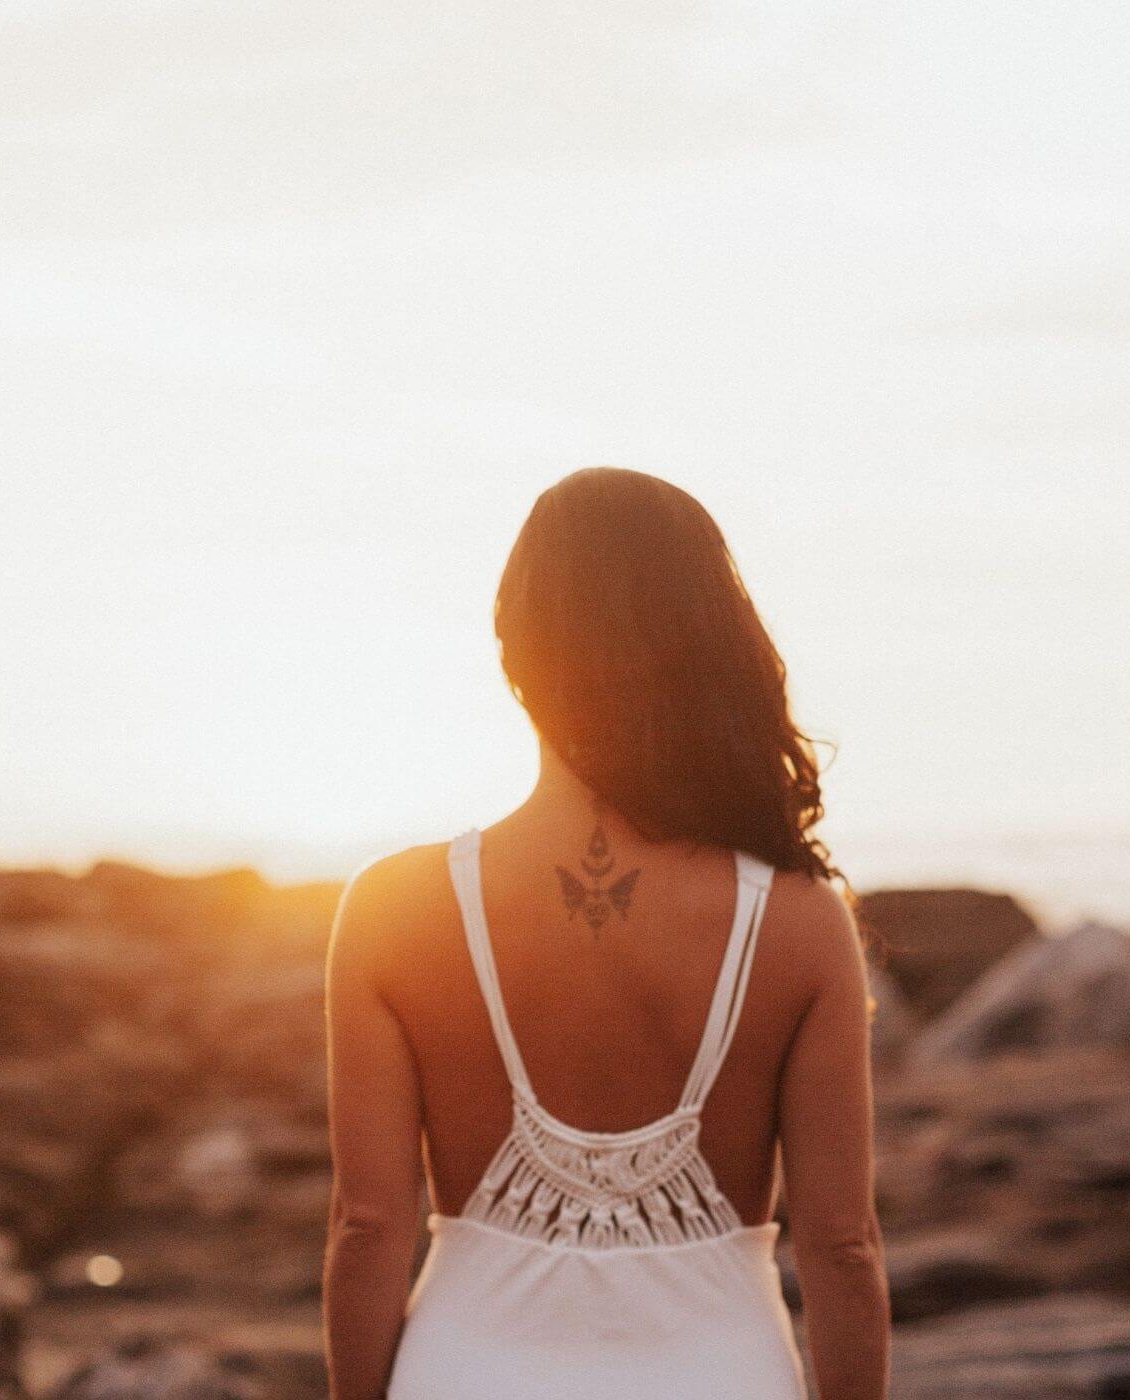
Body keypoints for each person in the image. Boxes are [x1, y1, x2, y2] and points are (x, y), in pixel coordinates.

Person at [323, 467, 891, 1400]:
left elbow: (367, 1224)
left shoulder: (393, 908)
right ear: (709, 647)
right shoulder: (798, 923)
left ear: (514, 649)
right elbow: (844, 1246)